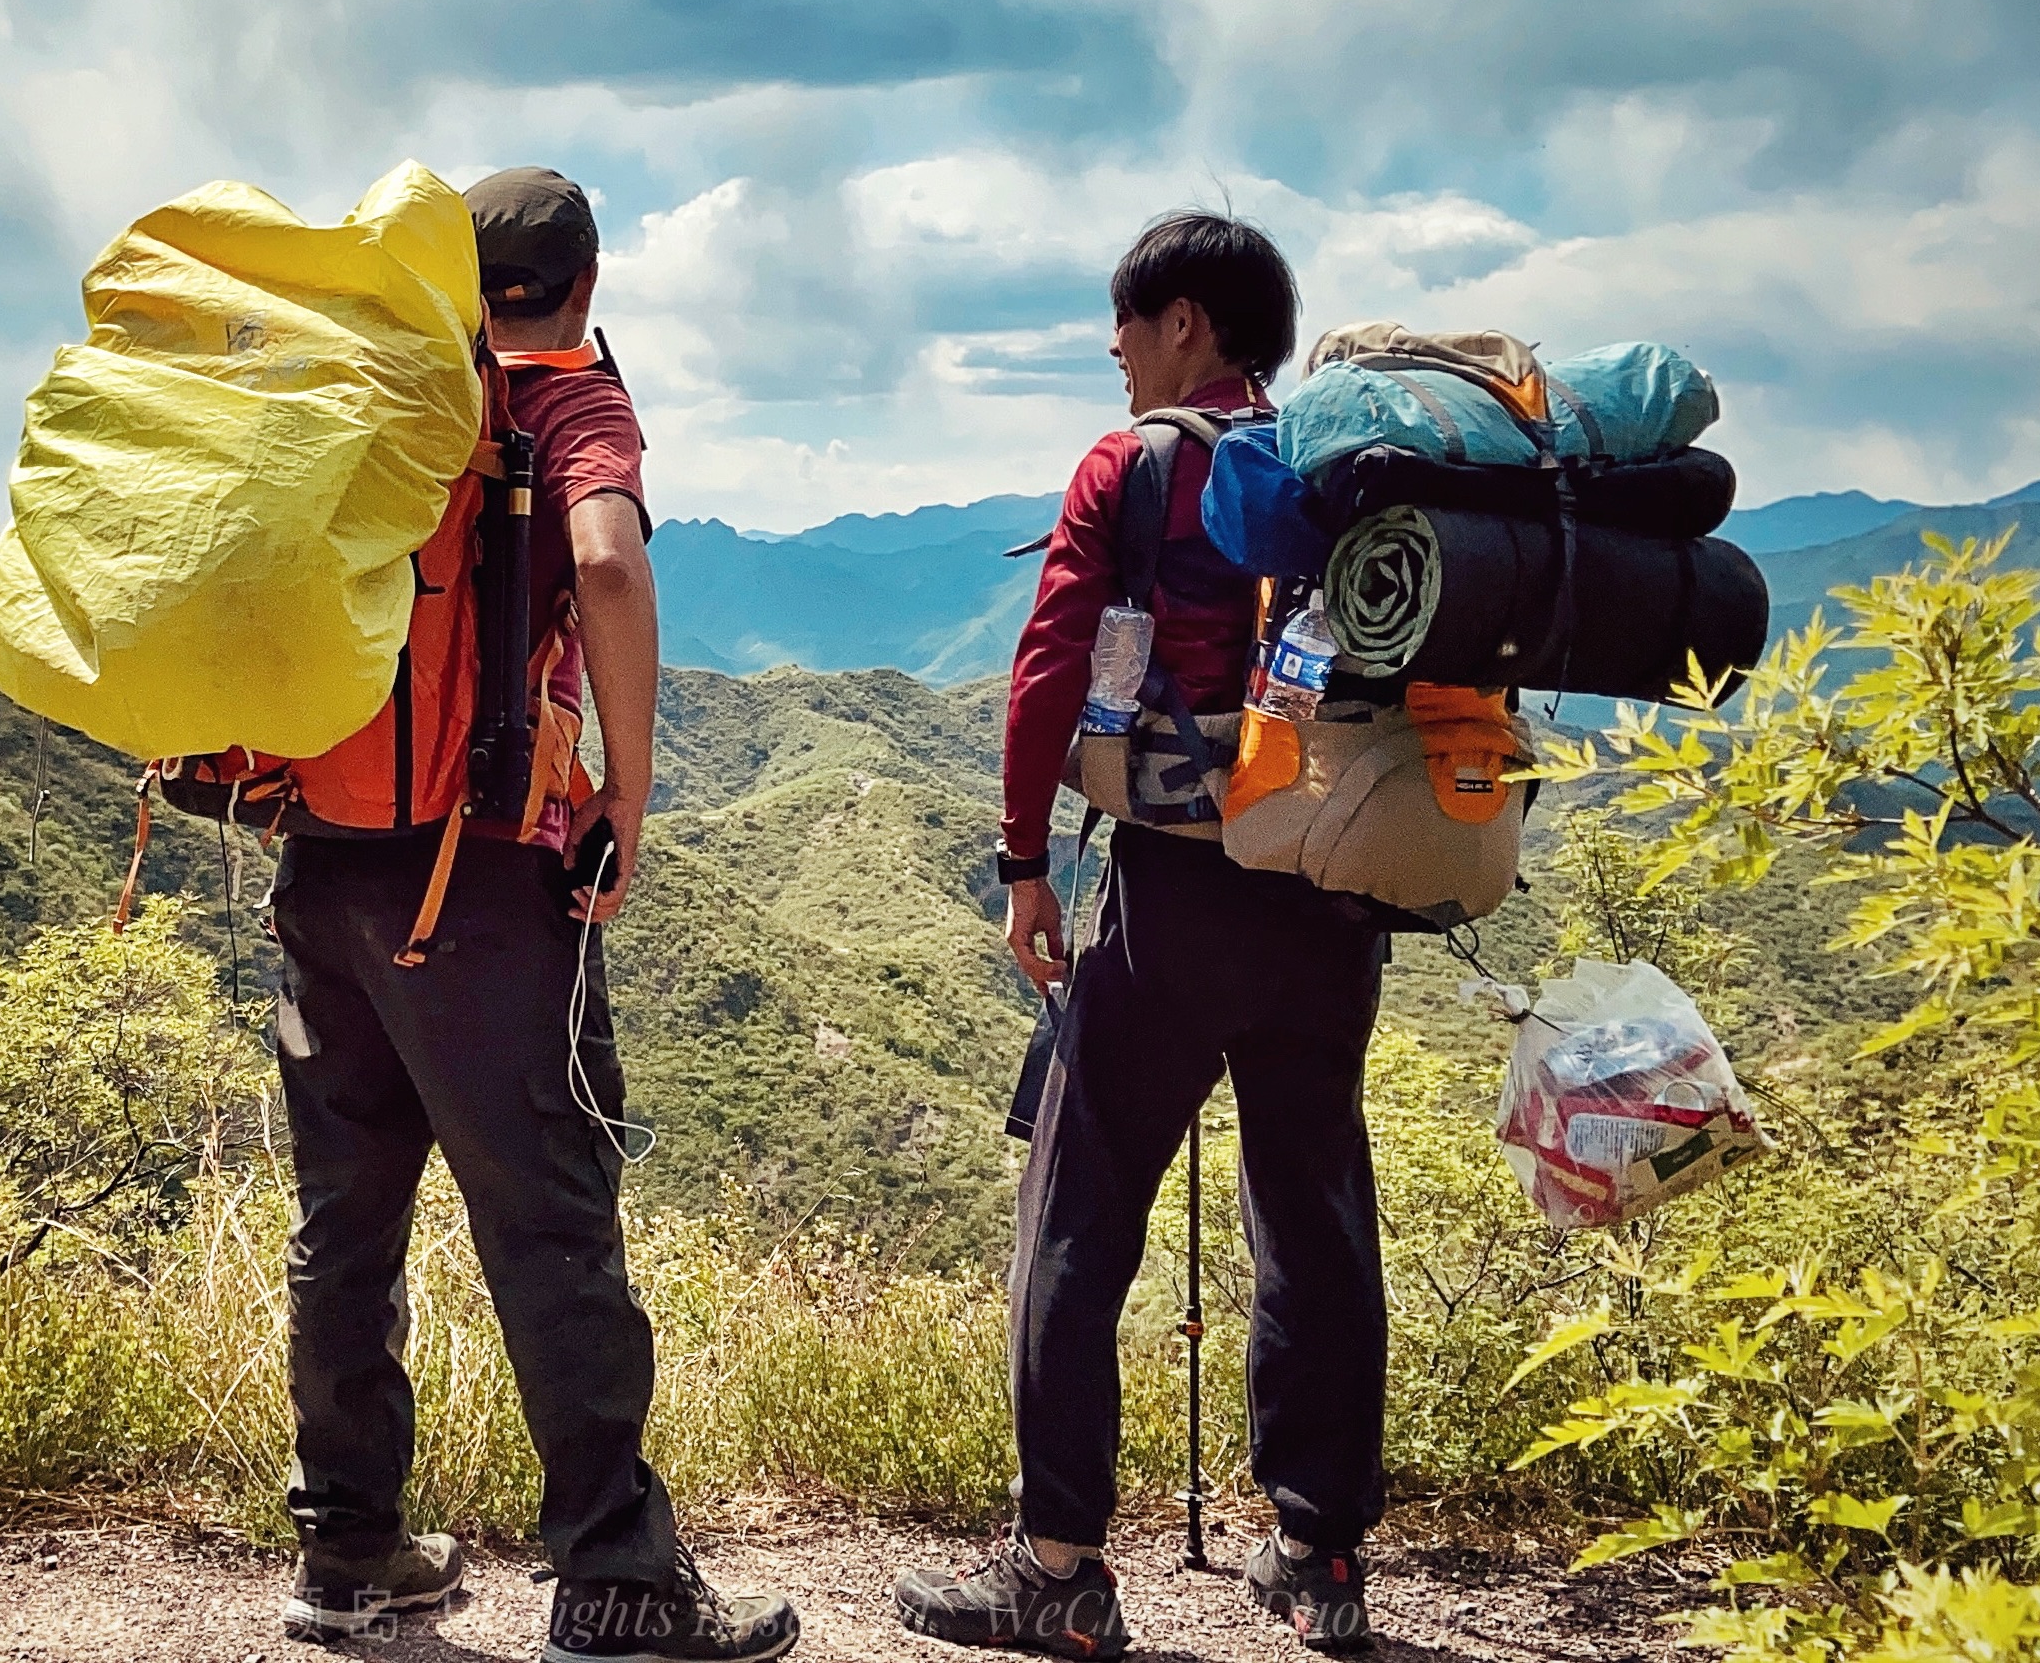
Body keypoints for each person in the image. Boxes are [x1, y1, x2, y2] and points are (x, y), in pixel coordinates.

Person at [272, 169, 799, 1663]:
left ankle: (349, 1554)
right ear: (582, 280)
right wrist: (632, 791)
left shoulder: (383, 406)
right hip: (488, 878)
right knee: (552, 1217)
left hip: (320, 862)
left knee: (345, 1224)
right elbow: (608, 561)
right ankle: (617, 1579)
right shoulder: (565, 397)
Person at [891, 213, 1387, 1658]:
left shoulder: (1140, 463)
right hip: (1338, 894)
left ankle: (1056, 1567)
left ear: (1183, 322)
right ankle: (1322, 1559)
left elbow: (1050, 662)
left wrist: (1020, 864)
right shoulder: (1343, 473)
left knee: (1079, 1214)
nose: (1112, 350)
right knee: (1314, 1211)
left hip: (1179, 890)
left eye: (1124, 323)